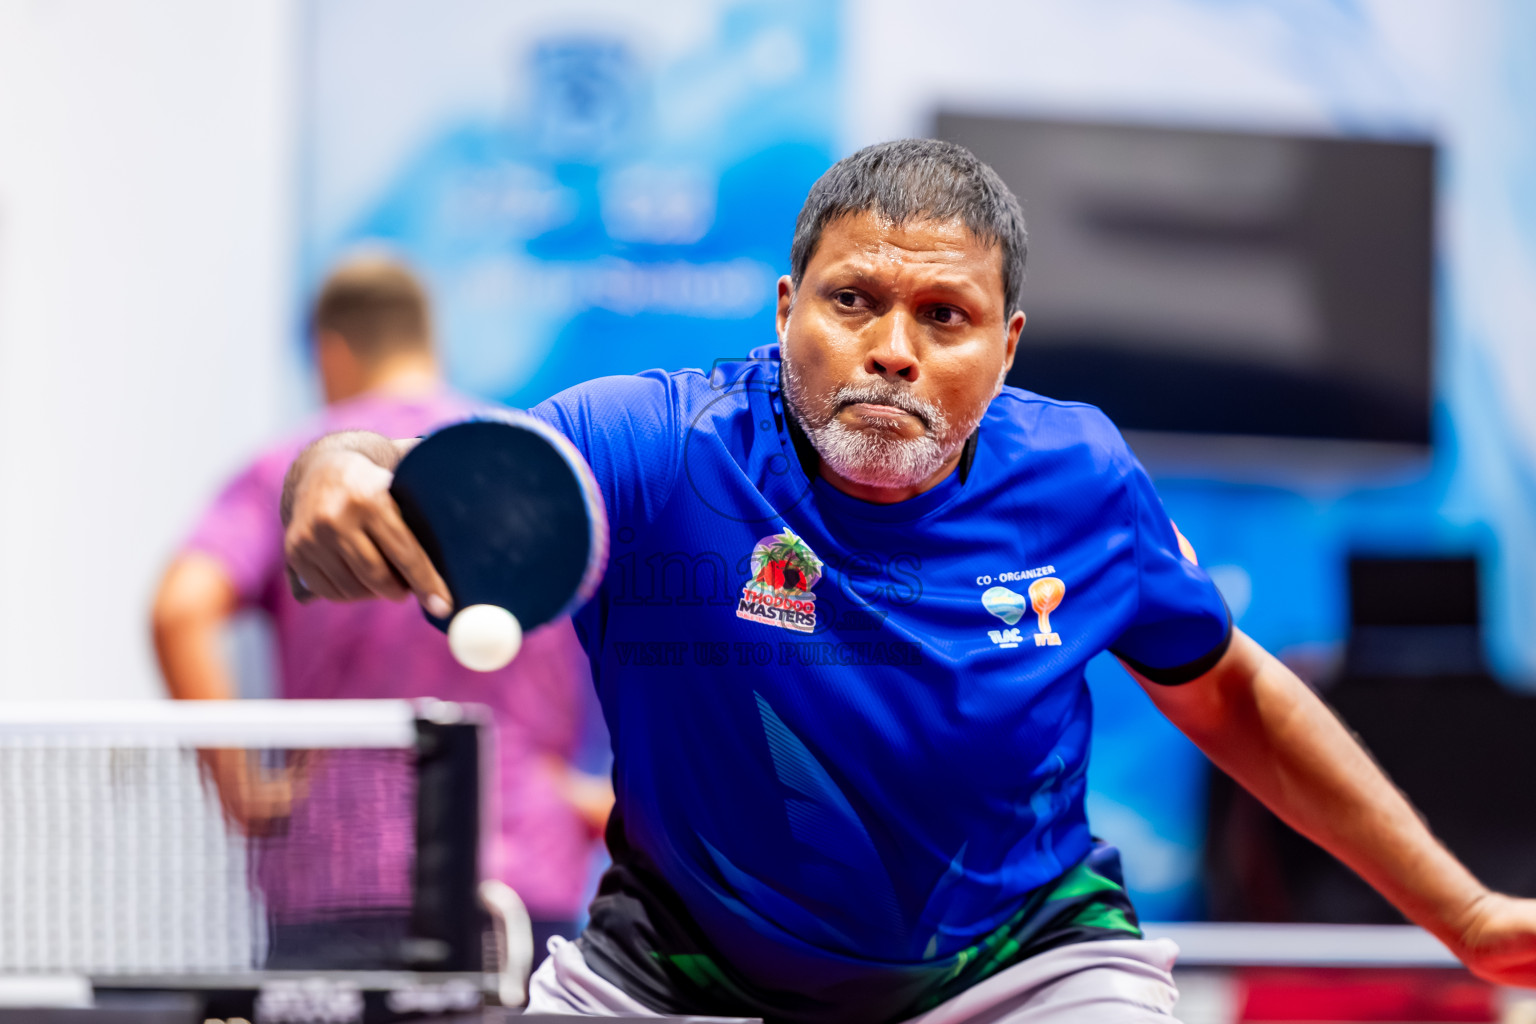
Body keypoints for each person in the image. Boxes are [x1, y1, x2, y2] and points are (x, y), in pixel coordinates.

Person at [278, 143, 1536, 1021]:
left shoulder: (1081, 477)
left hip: (1023, 966)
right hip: (681, 966)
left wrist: (1464, 909)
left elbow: (1232, 697)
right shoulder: (659, 444)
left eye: (944, 315)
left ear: (1007, 346)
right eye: (853, 300)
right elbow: (456, 473)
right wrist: (337, 463)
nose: (891, 347)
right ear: (786, 311)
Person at [152, 253, 611, 963]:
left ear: (331, 352)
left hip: (337, 875)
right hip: (519, 882)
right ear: (427, 340)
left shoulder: (290, 468)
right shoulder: (536, 468)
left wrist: (243, 791)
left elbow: (180, 608)